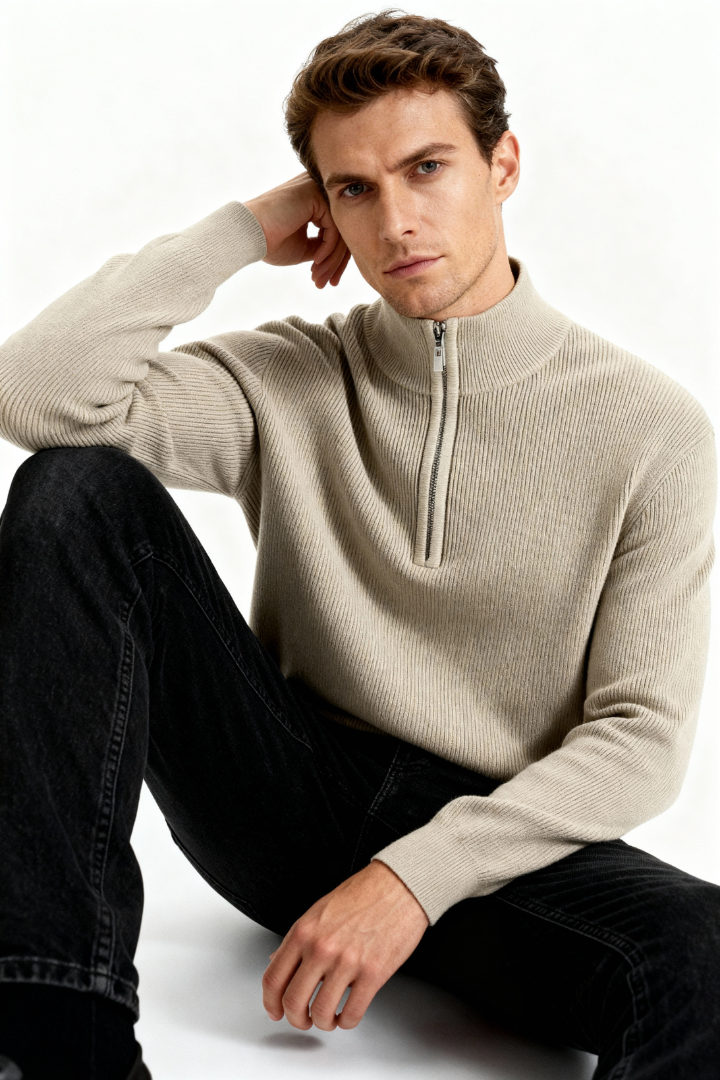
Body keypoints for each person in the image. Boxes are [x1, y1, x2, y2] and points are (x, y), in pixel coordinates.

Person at [0, 10, 718, 1080]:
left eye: (427, 168)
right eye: (354, 189)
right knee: (75, 491)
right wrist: (246, 227)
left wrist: (411, 881)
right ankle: (63, 1040)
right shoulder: (290, 378)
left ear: (503, 166)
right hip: (285, 788)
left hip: (494, 845)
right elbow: (36, 395)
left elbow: (641, 738)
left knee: (705, 951)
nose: (396, 221)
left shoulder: (653, 431)